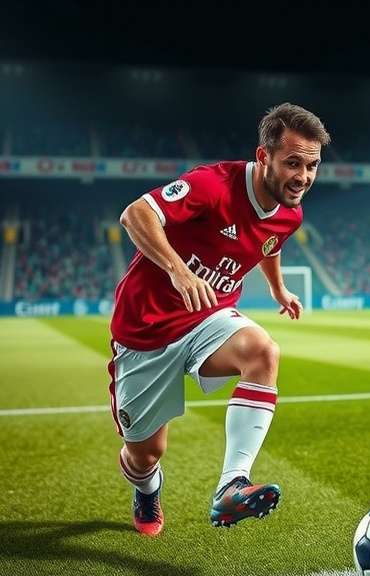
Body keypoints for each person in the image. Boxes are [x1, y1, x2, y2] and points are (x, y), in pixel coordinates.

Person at [108, 103, 330, 536]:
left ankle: (232, 485)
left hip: (209, 315)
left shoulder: (291, 212)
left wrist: (277, 288)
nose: (303, 177)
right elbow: (135, 214)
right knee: (146, 454)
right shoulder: (213, 184)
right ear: (263, 157)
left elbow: (269, 242)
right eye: (292, 163)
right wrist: (179, 270)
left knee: (263, 351)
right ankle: (147, 487)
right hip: (146, 329)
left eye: (312, 165)